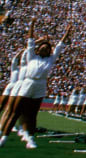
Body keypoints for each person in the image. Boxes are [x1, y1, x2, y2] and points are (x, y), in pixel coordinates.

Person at [0, 19, 73, 149]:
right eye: (43, 47)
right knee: (16, 111)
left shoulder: (51, 59)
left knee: (32, 114)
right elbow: (30, 42)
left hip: (41, 85)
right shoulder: (31, 57)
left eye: (47, 48)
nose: (45, 49)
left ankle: (30, 139)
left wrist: (66, 33)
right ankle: (4, 137)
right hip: (28, 83)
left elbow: (59, 46)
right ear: (38, 49)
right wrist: (32, 25)